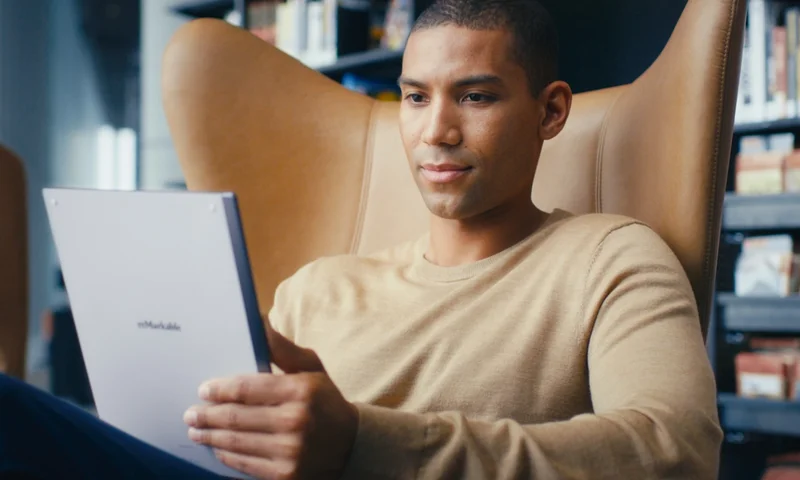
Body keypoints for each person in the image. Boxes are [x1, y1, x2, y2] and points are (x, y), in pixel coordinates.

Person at [0, 0, 723, 479]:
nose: (435, 131)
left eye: (475, 96)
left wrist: (360, 442)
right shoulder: (317, 287)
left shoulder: (613, 258)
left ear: (551, 110)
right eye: (414, 97)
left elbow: (676, 451)